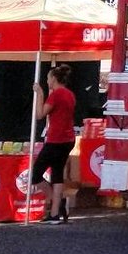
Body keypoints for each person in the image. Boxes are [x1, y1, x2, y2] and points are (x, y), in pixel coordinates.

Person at [31, 65, 76, 223]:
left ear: (54, 79)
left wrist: (40, 94)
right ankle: (55, 212)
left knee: (35, 174)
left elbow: (40, 114)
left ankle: (56, 201)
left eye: (48, 78)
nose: (47, 81)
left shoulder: (56, 95)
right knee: (57, 173)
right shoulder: (70, 94)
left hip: (56, 139)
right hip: (68, 139)